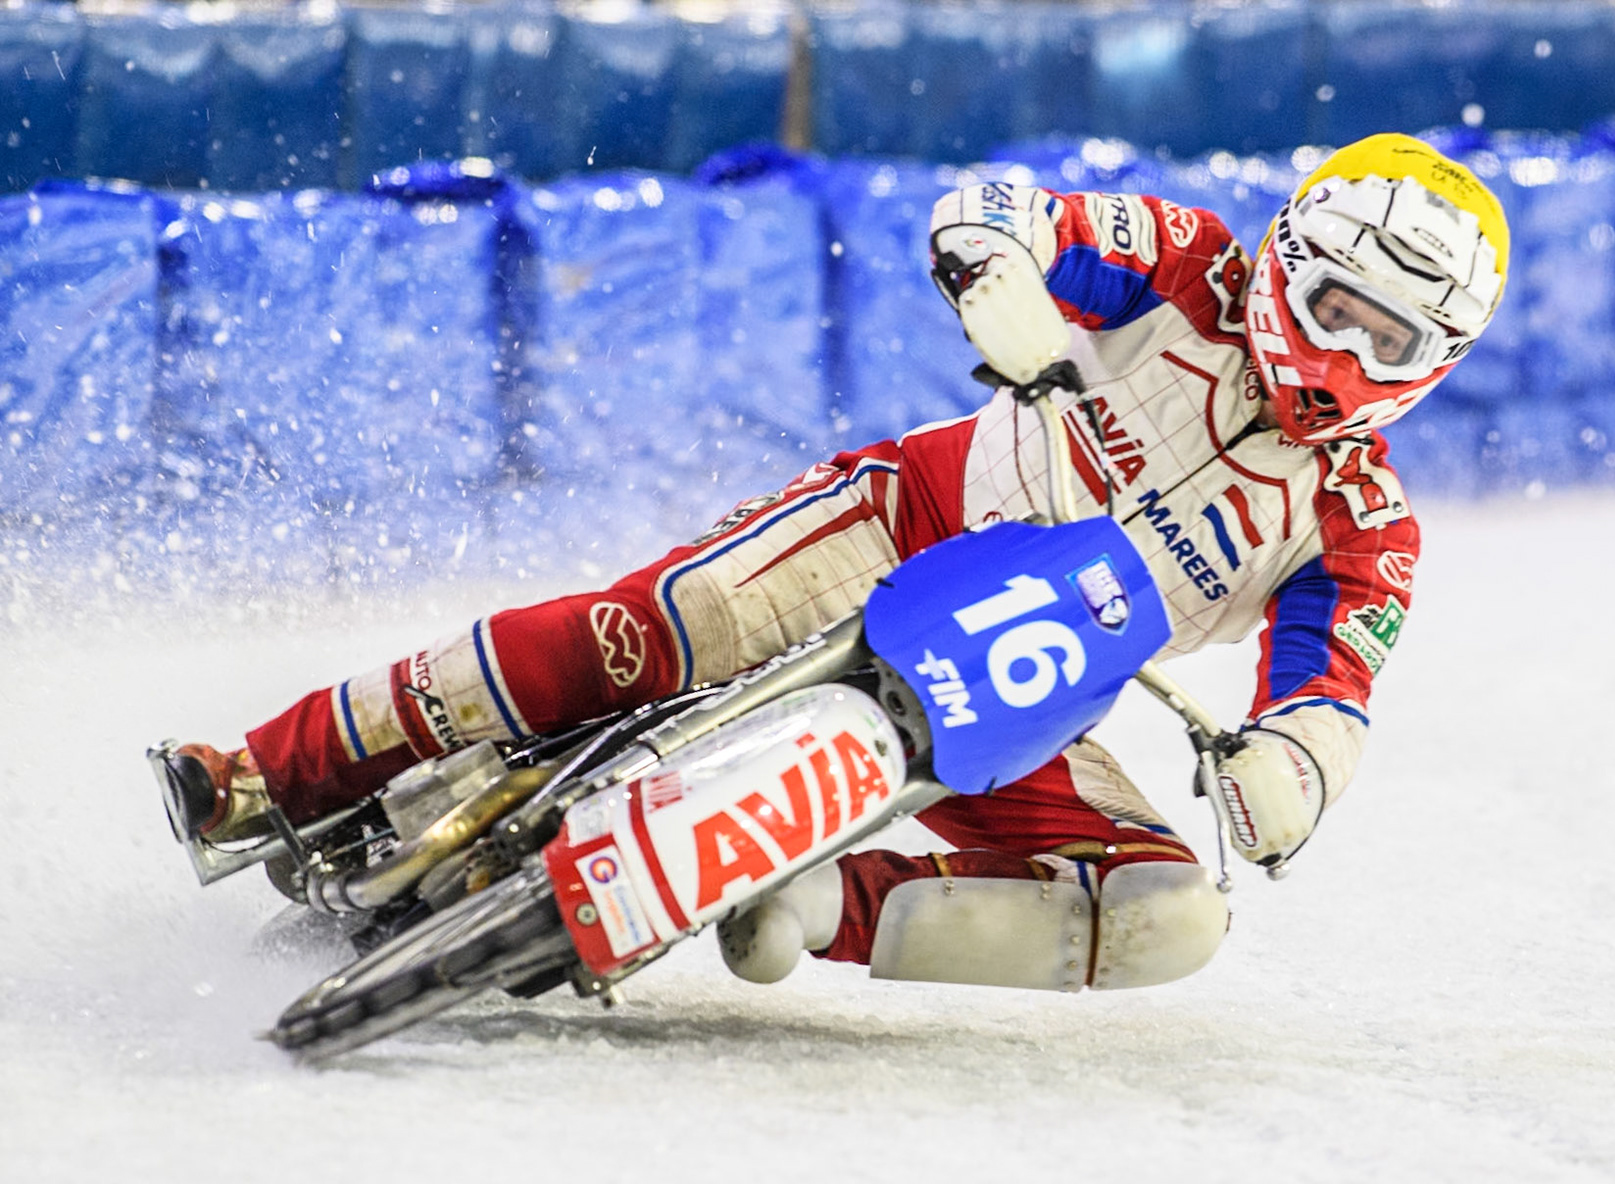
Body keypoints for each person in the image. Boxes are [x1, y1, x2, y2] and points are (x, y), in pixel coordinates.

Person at [158, 133, 1508, 993]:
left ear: (1433, 369)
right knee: (638, 636)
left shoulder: (1366, 526)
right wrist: (997, 268)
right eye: (1338, 309)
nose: (1347, 359)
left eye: (1391, 346)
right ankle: (269, 772)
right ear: (1291, 263)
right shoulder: (1192, 265)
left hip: (1035, 690)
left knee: (1165, 918)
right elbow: (1006, 204)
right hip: (902, 524)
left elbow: (1332, 696)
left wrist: (1287, 774)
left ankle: (809, 896)